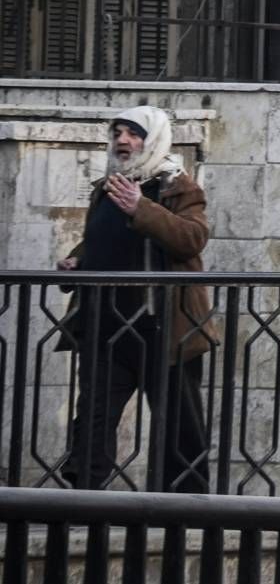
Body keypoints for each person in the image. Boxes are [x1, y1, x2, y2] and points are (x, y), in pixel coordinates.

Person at [55, 107, 214, 492]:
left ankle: (185, 510)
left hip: (165, 329)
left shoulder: (178, 187)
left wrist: (140, 207)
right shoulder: (107, 188)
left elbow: (192, 239)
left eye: (134, 134)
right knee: (92, 421)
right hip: (107, 327)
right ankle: (82, 503)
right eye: (118, 133)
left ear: (153, 139)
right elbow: (105, 239)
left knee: (179, 425)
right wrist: (78, 260)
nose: (123, 141)